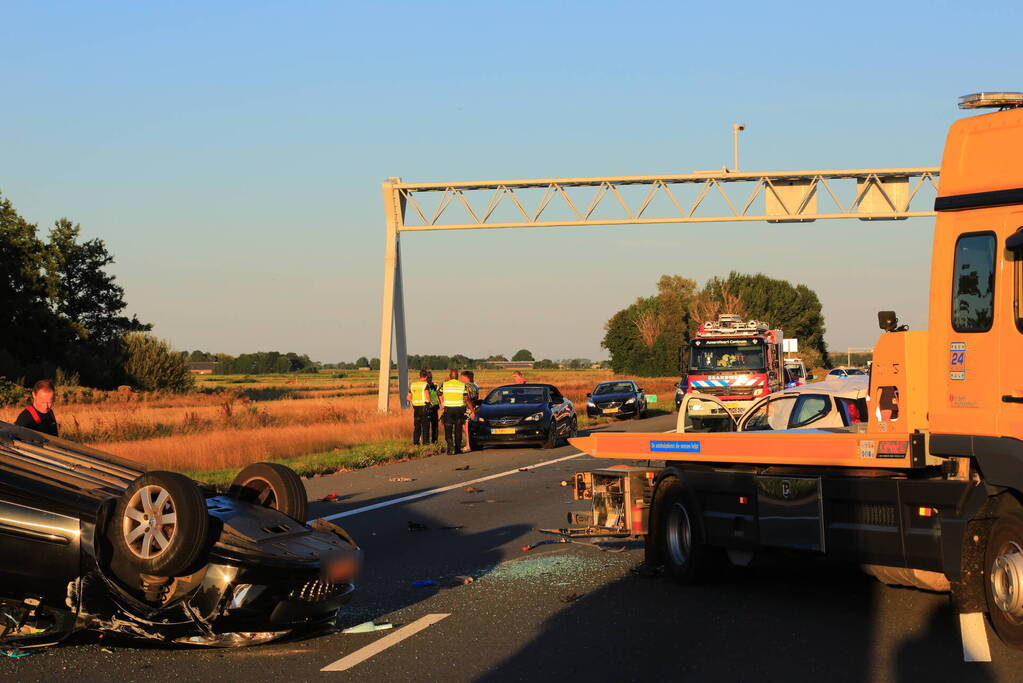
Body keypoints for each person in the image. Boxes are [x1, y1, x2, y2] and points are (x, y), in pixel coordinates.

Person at [439, 369, 467, 454]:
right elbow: (466, 397)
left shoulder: (444, 384)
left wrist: (442, 403)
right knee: (458, 429)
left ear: (450, 376)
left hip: (448, 409)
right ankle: (458, 449)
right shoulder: (462, 385)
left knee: (448, 428)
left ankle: (450, 447)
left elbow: (439, 393)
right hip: (459, 409)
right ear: (457, 376)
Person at [407, 370, 434, 445]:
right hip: (424, 407)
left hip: (416, 408)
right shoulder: (425, 385)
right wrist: (431, 403)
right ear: (426, 377)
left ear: (420, 376)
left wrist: (414, 400)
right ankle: (426, 443)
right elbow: (427, 396)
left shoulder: (413, 385)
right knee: (425, 426)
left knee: (417, 426)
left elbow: (408, 397)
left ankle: (416, 442)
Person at [460, 370, 480, 452]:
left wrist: (470, 409)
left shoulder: (466, 386)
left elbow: (466, 398)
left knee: (466, 427)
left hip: (468, 408)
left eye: (461, 377)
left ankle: (468, 445)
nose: (460, 379)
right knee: (470, 428)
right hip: (473, 406)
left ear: (465, 377)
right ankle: (471, 444)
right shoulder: (475, 386)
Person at [425, 371, 440, 444]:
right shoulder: (424, 386)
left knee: (435, 425)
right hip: (427, 407)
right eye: (428, 377)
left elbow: (439, 395)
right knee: (426, 426)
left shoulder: (435, 385)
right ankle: (426, 441)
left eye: (431, 377)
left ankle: (435, 441)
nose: (430, 379)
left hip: (435, 407)